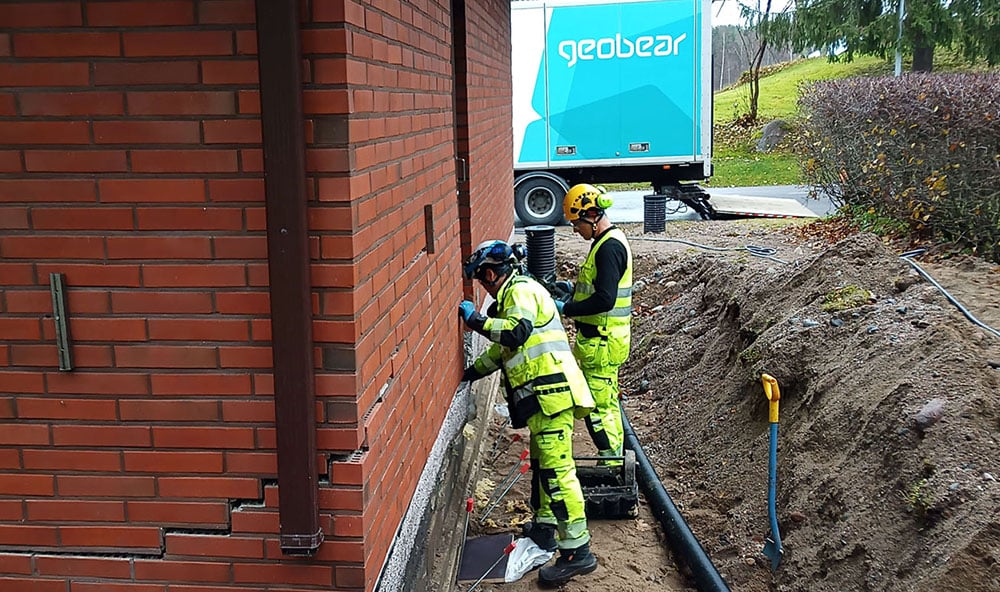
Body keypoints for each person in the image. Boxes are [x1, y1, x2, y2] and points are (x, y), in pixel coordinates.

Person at [458, 239, 599, 586]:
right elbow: (504, 352)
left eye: (481, 279)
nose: (483, 287)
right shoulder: (517, 294)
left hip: (550, 399)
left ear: (490, 274)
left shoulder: (520, 290)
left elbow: (516, 333)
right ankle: (546, 528)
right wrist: (471, 372)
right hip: (543, 402)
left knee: (557, 473)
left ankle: (576, 552)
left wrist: (475, 321)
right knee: (542, 468)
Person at [555, 183, 633, 465]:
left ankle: (611, 465)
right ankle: (612, 460)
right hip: (605, 340)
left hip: (601, 341)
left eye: (577, 223)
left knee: (597, 407)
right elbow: (598, 288)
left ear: (590, 214)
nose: (576, 230)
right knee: (607, 403)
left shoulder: (607, 249)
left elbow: (604, 299)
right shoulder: (609, 242)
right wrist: (571, 290)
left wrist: (567, 308)